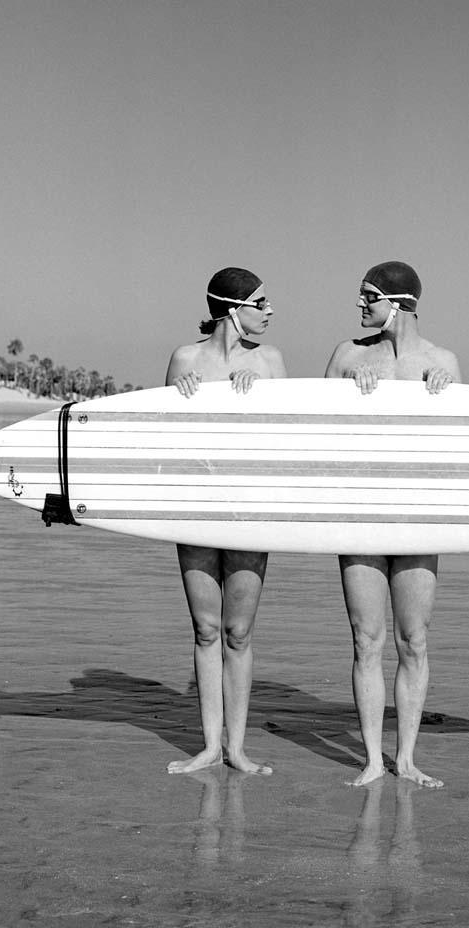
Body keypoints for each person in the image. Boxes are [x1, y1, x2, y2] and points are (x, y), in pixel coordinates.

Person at [325, 261, 461, 788]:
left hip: (418, 511)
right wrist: (345, 388)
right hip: (358, 509)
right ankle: (370, 760)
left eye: (369, 297)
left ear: (399, 303)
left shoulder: (442, 360)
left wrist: (447, 392)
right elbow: (315, 428)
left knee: (414, 639)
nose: (360, 306)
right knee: (366, 638)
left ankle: (405, 758)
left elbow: (454, 445)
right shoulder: (347, 354)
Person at [165, 267, 287, 775]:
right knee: (205, 628)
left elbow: (289, 437)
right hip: (194, 507)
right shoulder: (185, 359)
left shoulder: (273, 362)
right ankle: (210, 747)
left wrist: (261, 392)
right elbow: (162, 441)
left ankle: (237, 748)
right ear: (233, 311)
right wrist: (180, 394)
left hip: (249, 508)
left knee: (238, 631)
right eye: (261, 303)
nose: (270, 312)